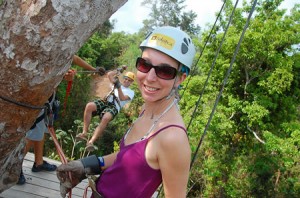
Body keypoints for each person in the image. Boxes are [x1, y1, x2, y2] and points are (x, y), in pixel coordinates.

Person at [56, 26, 196, 198]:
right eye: (145, 65)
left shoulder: (172, 137)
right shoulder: (146, 110)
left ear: (180, 78)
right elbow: (127, 157)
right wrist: (87, 165)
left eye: (165, 71)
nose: (150, 77)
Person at [17, 55, 104, 185]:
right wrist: (63, 76)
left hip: (47, 97)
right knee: (32, 133)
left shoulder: (63, 49)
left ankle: (38, 162)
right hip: (38, 96)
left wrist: (93, 69)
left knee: (41, 129)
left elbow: (74, 58)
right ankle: (14, 169)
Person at [75, 69, 135, 152]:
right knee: (89, 106)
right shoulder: (117, 84)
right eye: (125, 78)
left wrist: (118, 87)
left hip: (115, 106)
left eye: (129, 80)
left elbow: (122, 98)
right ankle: (84, 132)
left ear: (131, 82)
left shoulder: (131, 92)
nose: (126, 81)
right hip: (106, 101)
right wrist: (120, 70)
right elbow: (109, 74)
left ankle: (91, 141)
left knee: (105, 118)